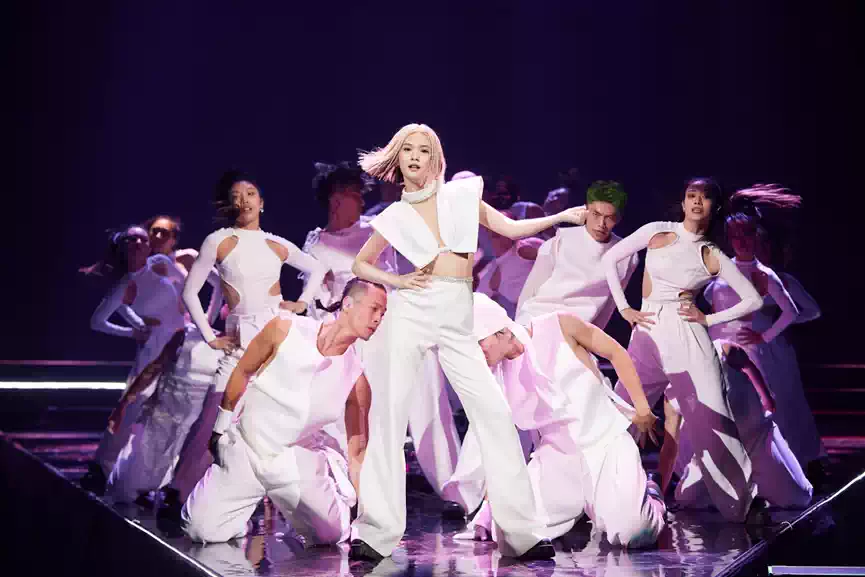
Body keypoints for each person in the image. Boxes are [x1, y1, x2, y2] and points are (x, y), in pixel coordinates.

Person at [349, 123, 586, 561]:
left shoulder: (460, 197)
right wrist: (397, 281)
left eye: (424, 150)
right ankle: (375, 532)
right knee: (390, 415)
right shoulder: (395, 216)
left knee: (494, 414)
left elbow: (510, 228)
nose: (415, 156)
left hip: (457, 313)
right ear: (398, 158)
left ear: (436, 158)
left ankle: (522, 533)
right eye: (408, 150)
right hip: (411, 310)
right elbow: (361, 264)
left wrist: (559, 218)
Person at [165, 171, 329, 520]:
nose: (244, 200)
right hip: (239, 339)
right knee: (213, 418)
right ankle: (180, 492)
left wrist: (301, 303)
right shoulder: (219, 240)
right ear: (229, 204)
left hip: (275, 340)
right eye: (237, 196)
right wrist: (210, 336)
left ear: (262, 203)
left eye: (251, 193)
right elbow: (190, 292)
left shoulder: (275, 243)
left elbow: (317, 268)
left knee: (267, 423)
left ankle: (258, 502)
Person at [601, 178, 763, 522]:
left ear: (714, 207)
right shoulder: (657, 230)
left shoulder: (712, 253)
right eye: (691, 196)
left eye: (704, 198)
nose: (697, 202)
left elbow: (754, 299)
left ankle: (745, 505)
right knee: (619, 410)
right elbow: (610, 259)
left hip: (688, 335)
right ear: (684, 201)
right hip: (647, 330)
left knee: (713, 416)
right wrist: (624, 308)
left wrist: (709, 318)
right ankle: (598, 494)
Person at [302, 161, 463, 506]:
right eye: (354, 195)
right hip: (355, 339)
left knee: (426, 402)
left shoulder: (376, 229)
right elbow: (317, 299)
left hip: (394, 324)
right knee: (358, 415)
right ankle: (360, 491)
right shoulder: (316, 243)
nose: (363, 201)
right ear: (335, 200)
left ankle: (455, 489)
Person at [182, 279, 386, 546]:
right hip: (248, 447)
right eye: (374, 309)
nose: (378, 319)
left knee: (331, 536)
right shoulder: (285, 328)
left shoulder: (357, 380)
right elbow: (243, 370)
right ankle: (238, 514)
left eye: (383, 313)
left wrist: (364, 515)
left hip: (296, 462)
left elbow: (357, 449)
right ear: (347, 303)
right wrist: (220, 428)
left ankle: (327, 483)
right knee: (199, 530)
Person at [455, 294, 666, 547]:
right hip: (556, 460)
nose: (476, 353)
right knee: (512, 531)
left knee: (633, 532)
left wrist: (642, 408)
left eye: (479, 343)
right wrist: (491, 508)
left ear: (499, 330)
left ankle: (652, 495)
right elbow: (497, 446)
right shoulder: (493, 378)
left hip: (604, 445)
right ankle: (578, 510)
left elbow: (615, 352)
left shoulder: (559, 325)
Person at [79, 226, 187, 494]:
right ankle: (102, 467)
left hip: (183, 339)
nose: (139, 242)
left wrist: (196, 319)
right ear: (124, 247)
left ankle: (155, 478)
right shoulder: (124, 285)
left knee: (170, 412)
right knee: (131, 407)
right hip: (156, 347)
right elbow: (97, 322)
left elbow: (187, 289)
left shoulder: (160, 263)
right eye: (132, 239)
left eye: (143, 238)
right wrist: (133, 331)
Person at [516, 180, 639, 329]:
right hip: (535, 321)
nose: (601, 223)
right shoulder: (560, 240)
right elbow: (530, 291)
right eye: (596, 214)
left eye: (609, 217)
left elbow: (610, 306)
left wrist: (589, 338)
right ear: (586, 209)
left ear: (618, 218)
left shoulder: (627, 254)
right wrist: (519, 329)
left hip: (576, 333)